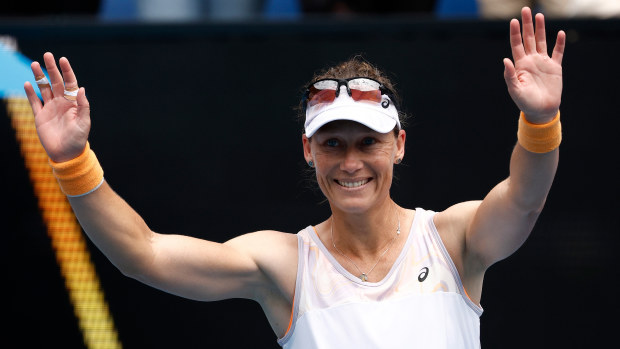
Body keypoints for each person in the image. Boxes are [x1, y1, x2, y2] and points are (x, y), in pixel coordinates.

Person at [23, 6, 565, 348]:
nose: (351, 162)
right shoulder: (283, 265)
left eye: (367, 142)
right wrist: (73, 162)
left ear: (398, 144)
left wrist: (540, 121)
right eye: (333, 143)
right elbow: (143, 254)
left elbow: (524, 200)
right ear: (309, 151)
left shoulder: (453, 240)